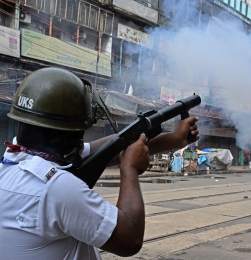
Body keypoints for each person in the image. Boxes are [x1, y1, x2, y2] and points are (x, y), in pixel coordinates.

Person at [0, 68, 199, 259]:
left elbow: (109, 148)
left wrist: (174, 138)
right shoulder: (56, 188)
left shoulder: (13, 161)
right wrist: (129, 168)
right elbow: (130, 240)